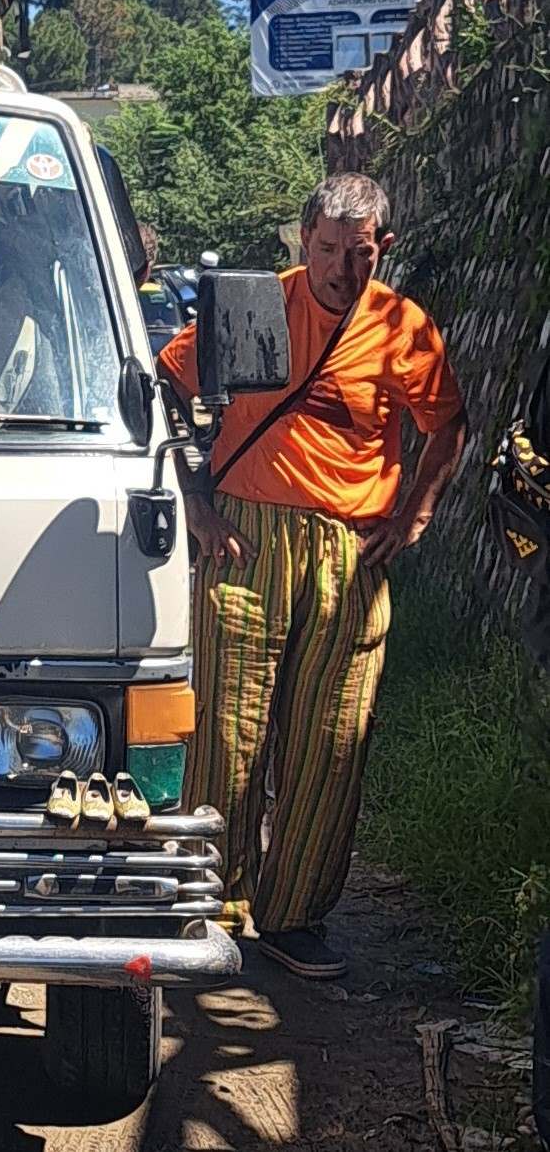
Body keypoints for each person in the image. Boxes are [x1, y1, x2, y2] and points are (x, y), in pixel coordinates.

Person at [156, 173, 469, 980]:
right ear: (303, 241)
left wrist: (415, 514)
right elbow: (164, 381)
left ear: (382, 250)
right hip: (246, 539)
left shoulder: (403, 327)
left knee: (331, 738)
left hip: (351, 549)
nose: (339, 267)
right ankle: (208, 901)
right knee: (227, 731)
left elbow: (448, 424)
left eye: (357, 253)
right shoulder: (259, 304)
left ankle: (293, 913)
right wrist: (194, 501)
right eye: (326, 249)